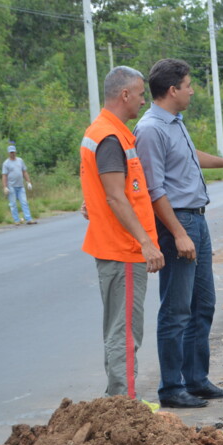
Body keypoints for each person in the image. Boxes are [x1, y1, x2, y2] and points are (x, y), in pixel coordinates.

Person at [134, 58, 223, 409]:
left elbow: (189, 156)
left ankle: (196, 380)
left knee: (203, 304)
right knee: (175, 309)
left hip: (195, 221)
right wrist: (178, 233)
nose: (192, 90)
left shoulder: (174, 123)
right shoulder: (151, 129)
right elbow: (154, 190)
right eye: (188, 85)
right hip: (178, 225)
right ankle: (171, 388)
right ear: (173, 90)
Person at [80, 66, 165, 398]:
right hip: (122, 250)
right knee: (125, 332)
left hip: (114, 248)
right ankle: (124, 406)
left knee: (119, 329)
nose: (144, 101)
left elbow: (104, 192)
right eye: (141, 94)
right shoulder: (110, 137)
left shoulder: (105, 132)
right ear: (125, 94)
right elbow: (116, 196)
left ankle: (119, 401)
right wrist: (145, 242)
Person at [1, 145, 36, 225]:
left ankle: (28, 218)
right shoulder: (6, 163)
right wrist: (5, 187)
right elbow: (4, 176)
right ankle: (16, 220)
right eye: (11, 153)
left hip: (20, 186)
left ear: (15, 152)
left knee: (24, 202)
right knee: (13, 204)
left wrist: (28, 182)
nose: (12, 154)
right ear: (9, 153)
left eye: (13, 152)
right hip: (11, 186)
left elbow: (24, 171)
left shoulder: (20, 160)